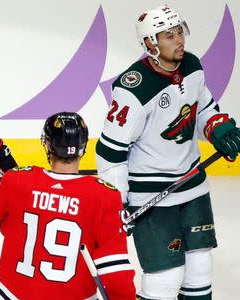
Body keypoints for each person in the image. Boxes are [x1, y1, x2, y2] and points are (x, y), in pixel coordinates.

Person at [96, 5, 240, 300]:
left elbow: (203, 111)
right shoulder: (133, 88)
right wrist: (117, 201)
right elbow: (110, 150)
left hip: (193, 185)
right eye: (168, 35)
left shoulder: (192, 66)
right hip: (150, 194)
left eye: (179, 32)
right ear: (151, 43)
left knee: (200, 267)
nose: (179, 40)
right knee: (165, 277)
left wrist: (216, 128)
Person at [0, 112, 136, 299]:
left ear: (47, 145)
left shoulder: (17, 182)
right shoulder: (105, 196)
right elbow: (116, 276)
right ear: (83, 146)